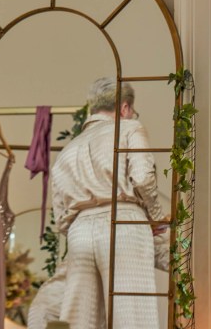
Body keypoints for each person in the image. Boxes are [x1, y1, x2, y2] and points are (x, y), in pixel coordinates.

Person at [49, 79, 164, 329]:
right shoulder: (129, 128)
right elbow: (143, 178)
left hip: (79, 231)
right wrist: (156, 218)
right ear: (124, 108)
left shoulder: (68, 149)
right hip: (124, 223)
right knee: (132, 316)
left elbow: (59, 214)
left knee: (80, 319)